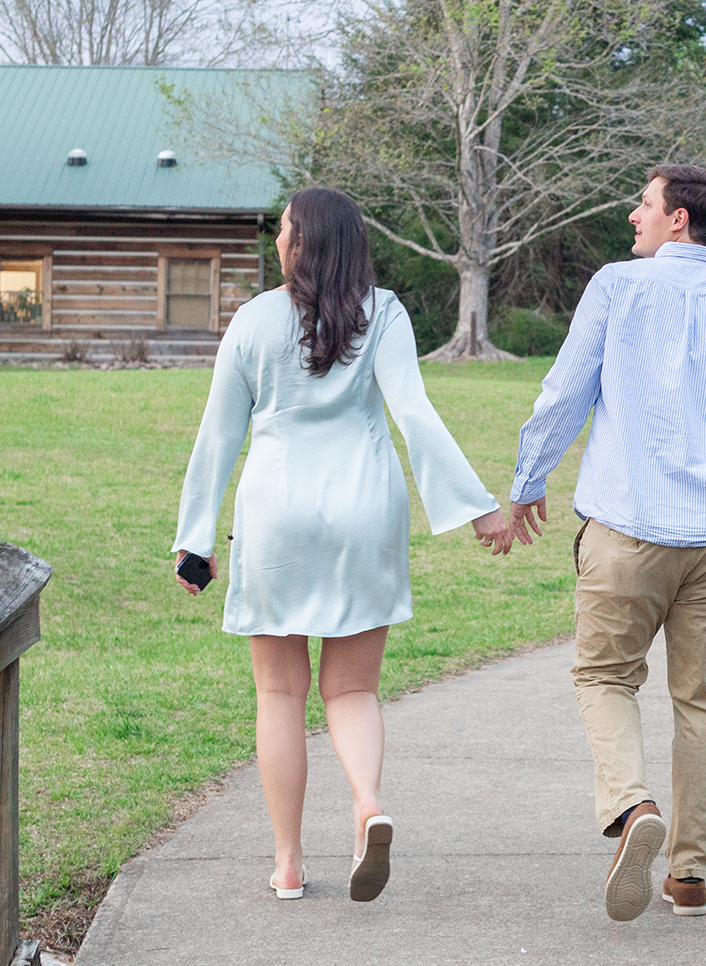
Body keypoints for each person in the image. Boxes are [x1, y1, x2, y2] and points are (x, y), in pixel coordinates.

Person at [172, 187, 507, 903]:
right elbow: (412, 410)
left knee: (280, 692)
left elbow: (219, 436)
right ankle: (366, 803)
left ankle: (289, 863)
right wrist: (477, 508)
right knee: (352, 689)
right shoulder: (382, 313)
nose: (278, 240)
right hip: (364, 512)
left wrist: (195, 542)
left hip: (276, 515)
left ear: (304, 242)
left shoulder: (254, 319)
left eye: (285, 229)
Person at [497, 163, 706, 922]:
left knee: (604, 677)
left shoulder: (616, 287)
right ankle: (691, 876)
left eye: (643, 204)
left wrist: (527, 479)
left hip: (629, 528)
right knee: (702, 699)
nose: (631, 216)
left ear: (679, 220)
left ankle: (633, 808)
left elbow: (565, 391)